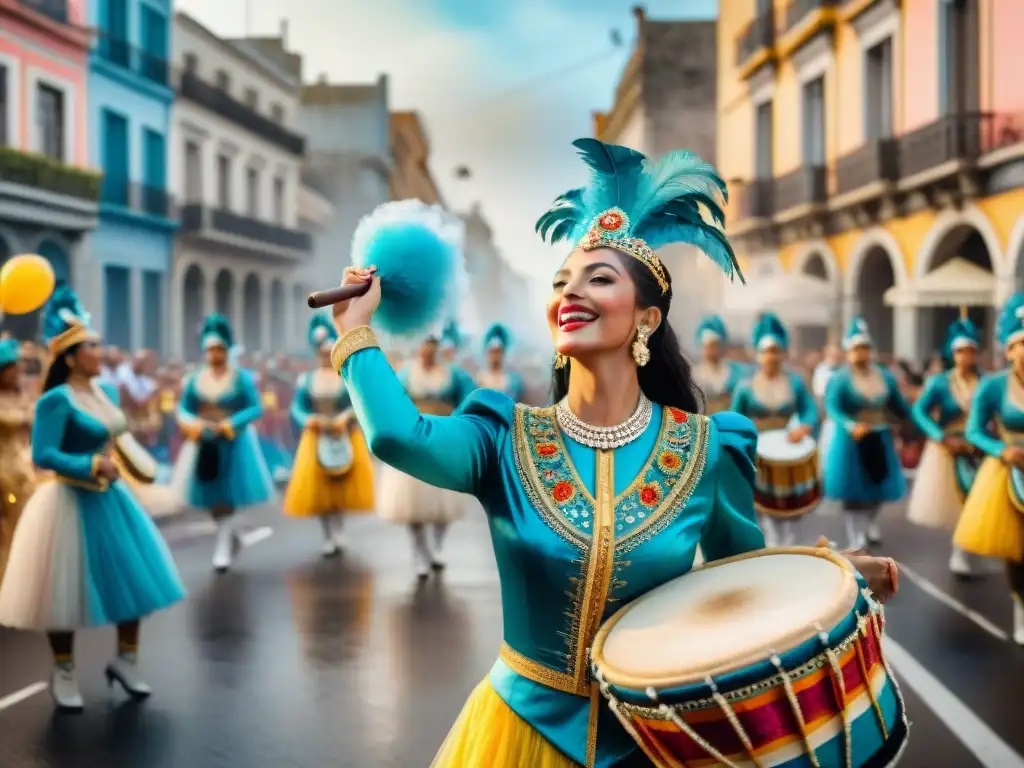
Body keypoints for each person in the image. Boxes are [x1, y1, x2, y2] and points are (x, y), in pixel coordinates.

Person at [327, 139, 900, 767]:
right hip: (521, 732)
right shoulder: (502, 437)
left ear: (647, 319)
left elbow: (742, 583)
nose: (570, 293)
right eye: (561, 282)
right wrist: (356, 331)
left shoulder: (707, 448)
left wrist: (827, 575)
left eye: (599, 278)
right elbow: (398, 436)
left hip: (657, 742)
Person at [0, 283, 185, 711]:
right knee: (59, 592)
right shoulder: (54, 400)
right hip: (66, 502)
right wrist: (88, 465)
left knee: (134, 578)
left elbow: (117, 436)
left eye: (99, 346)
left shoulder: (105, 393)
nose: (100, 354)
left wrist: (124, 462)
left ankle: (126, 660)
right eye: (92, 347)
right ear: (69, 356)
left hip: (112, 500)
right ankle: (64, 670)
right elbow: (44, 455)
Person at [170, 314, 276, 573]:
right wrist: (194, 424)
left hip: (233, 444)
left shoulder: (240, 378)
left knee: (227, 497)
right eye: (209, 349)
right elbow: (183, 409)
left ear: (227, 350)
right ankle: (230, 537)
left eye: (219, 349)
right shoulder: (195, 379)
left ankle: (223, 544)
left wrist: (230, 424)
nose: (214, 354)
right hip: (204, 443)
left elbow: (255, 407)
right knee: (210, 496)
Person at [954, 294, 1024, 645]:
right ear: (1009, 350)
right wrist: (1003, 449)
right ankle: (1020, 610)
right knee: (1020, 549)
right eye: (1022, 344)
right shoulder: (994, 387)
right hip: (1009, 473)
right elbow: (974, 431)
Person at [376, 332, 469, 579]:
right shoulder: (405, 373)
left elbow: (468, 400)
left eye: (432, 346)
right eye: (424, 346)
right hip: (414, 442)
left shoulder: (453, 374)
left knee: (445, 499)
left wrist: (457, 422)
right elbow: (390, 402)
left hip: (445, 441)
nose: (427, 351)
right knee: (411, 503)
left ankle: (437, 547)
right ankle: (419, 552)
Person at [283, 313, 374, 556]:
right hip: (316, 436)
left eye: (328, 352)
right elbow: (298, 407)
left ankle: (339, 531)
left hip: (344, 434)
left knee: (341, 485)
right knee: (319, 488)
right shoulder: (307, 380)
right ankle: (328, 535)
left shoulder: (346, 377)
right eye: (321, 353)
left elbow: (359, 403)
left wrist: (346, 417)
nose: (325, 357)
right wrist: (309, 419)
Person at [730, 312, 818, 547]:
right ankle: (771, 543)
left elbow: (809, 409)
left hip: (788, 444)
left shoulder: (795, 382)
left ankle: (791, 544)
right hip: (757, 450)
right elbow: (735, 417)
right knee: (764, 504)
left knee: (791, 503)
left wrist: (805, 427)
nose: (771, 358)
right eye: (766, 353)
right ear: (758, 356)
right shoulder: (745, 386)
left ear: (782, 354)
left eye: (775, 352)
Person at [823, 317, 911, 550]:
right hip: (852, 440)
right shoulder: (840, 378)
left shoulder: (884, 376)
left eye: (865, 348)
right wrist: (851, 425)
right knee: (854, 493)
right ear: (848, 351)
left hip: (879, 436)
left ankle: (869, 523)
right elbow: (833, 407)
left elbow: (898, 404)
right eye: (856, 349)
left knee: (879, 488)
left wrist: (909, 417)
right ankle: (856, 537)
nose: (861, 353)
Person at [908, 313, 982, 576]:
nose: (966, 356)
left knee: (978, 497)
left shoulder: (985, 382)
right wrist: (939, 436)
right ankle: (959, 552)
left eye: (971, 351)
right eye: (961, 351)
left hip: (978, 447)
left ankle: (969, 547)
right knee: (959, 499)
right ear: (953, 353)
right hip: (948, 448)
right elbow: (919, 411)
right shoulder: (940, 382)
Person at [0, 338, 35, 585]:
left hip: (24, 474)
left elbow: (32, 417)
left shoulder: (24, 395)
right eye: (11, 371)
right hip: (2, 476)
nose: (17, 376)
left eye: (18, 371)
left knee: (24, 530)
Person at [691, 314, 744, 414]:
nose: (711, 350)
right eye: (707, 346)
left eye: (714, 345)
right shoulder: (694, 376)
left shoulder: (735, 373)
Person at [474, 322, 523, 399]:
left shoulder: (512, 381)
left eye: (498, 352)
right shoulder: (480, 378)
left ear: (503, 353)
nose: (495, 356)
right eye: (492, 352)